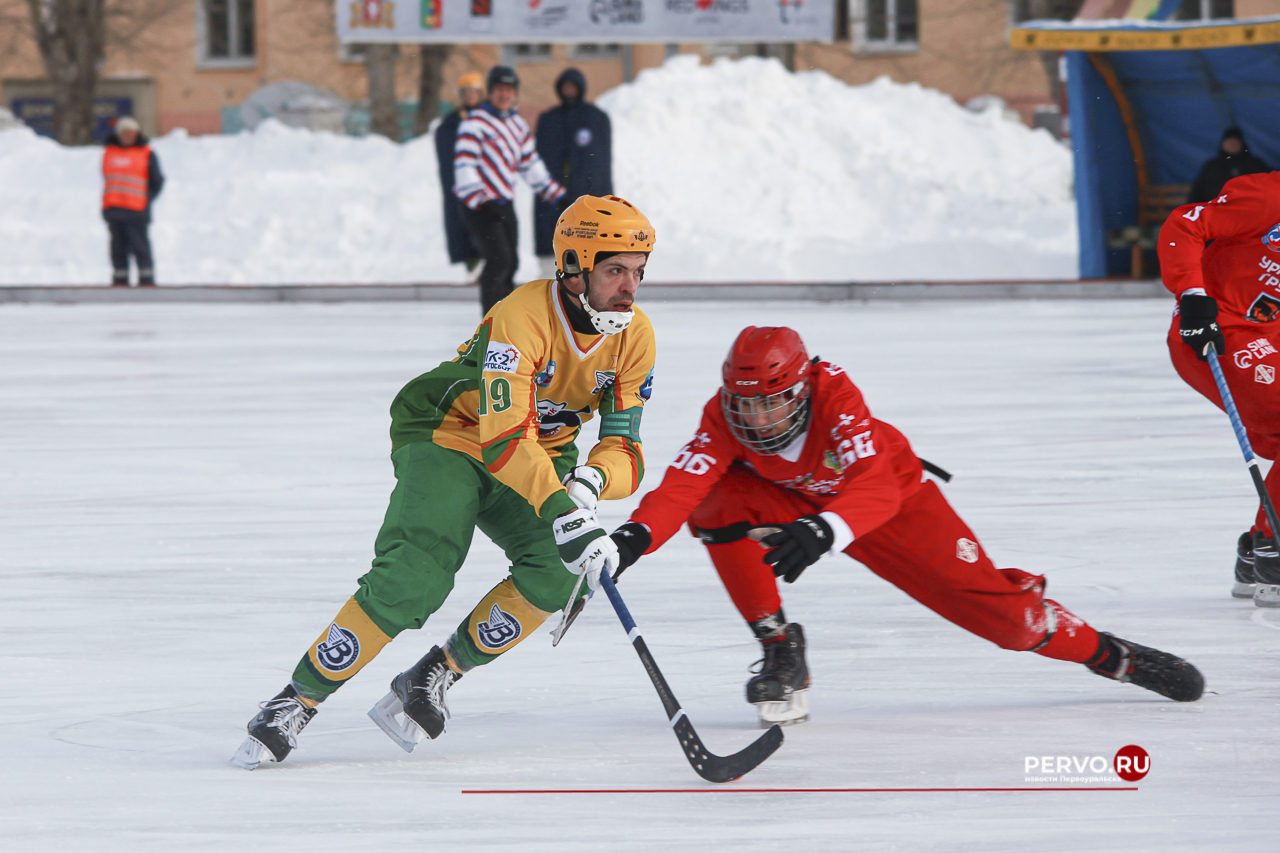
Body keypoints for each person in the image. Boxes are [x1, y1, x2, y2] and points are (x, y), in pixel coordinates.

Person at [233, 195, 657, 769]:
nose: (629, 286)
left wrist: (586, 487)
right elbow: (505, 438)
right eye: (614, 271)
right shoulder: (524, 313)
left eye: (637, 271)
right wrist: (560, 508)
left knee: (561, 572)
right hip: (451, 433)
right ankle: (294, 701)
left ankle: (433, 675)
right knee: (417, 574)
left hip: (538, 458)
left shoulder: (637, 337)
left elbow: (625, 447)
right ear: (575, 266)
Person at [602, 326, 1204, 728]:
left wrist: (824, 531)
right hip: (805, 506)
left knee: (1011, 624)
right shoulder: (725, 415)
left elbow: (876, 486)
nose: (756, 419)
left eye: (771, 403)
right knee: (714, 504)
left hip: (892, 509)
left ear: (803, 388)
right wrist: (633, 538)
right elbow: (683, 482)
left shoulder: (835, 394)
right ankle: (780, 646)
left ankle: (1115, 656)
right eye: (745, 405)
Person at [1159, 170, 1280, 606]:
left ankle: (1259, 549)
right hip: (1217, 334)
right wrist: (1192, 294)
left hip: (1266, 338)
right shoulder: (1270, 196)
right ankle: (1271, 552)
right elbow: (1186, 223)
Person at [454, 65, 566, 315]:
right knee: (498, 260)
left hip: (504, 203)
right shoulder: (475, 123)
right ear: (490, 92)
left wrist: (557, 195)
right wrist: (481, 199)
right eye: (499, 90)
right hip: (479, 206)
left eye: (509, 90)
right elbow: (464, 164)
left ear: (515, 93)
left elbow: (529, 164)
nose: (504, 95)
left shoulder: (516, 124)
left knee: (512, 262)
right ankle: (490, 322)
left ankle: (505, 317)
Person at [534, 68, 613, 280]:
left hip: (586, 200)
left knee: (588, 259)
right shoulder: (549, 120)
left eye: (573, 87)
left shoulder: (595, 118)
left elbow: (601, 166)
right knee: (552, 257)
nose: (569, 91)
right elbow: (538, 164)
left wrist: (605, 203)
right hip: (553, 200)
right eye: (565, 87)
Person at [102, 116, 163, 286]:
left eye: (131, 132)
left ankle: (146, 279)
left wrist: (146, 198)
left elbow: (157, 180)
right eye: (124, 132)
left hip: (136, 210)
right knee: (117, 249)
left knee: (140, 247)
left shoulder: (146, 153)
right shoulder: (109, 152)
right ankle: (120, 280)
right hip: (114, 209)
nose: (127, 136)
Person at [434, 72, 484, 279]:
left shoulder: (490, 119)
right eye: (467, 92)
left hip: (485, 185)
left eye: (474, 91)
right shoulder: (450, 124)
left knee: (488, 228)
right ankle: (472, 267)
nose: (470, 96)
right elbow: (447, 157)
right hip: (460, 185)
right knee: (462, 227)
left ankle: (487, 265)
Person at [1188, 128, 1270, 204]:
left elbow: (1269, 184)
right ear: (1222, 144)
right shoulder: (1212, 166)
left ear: (1241, 144)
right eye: (1229, 142)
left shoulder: (1254, 164)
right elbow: (1198, 190)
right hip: (1216, 210)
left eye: (1235, 142)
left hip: (1248, 208)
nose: (1232, 145)